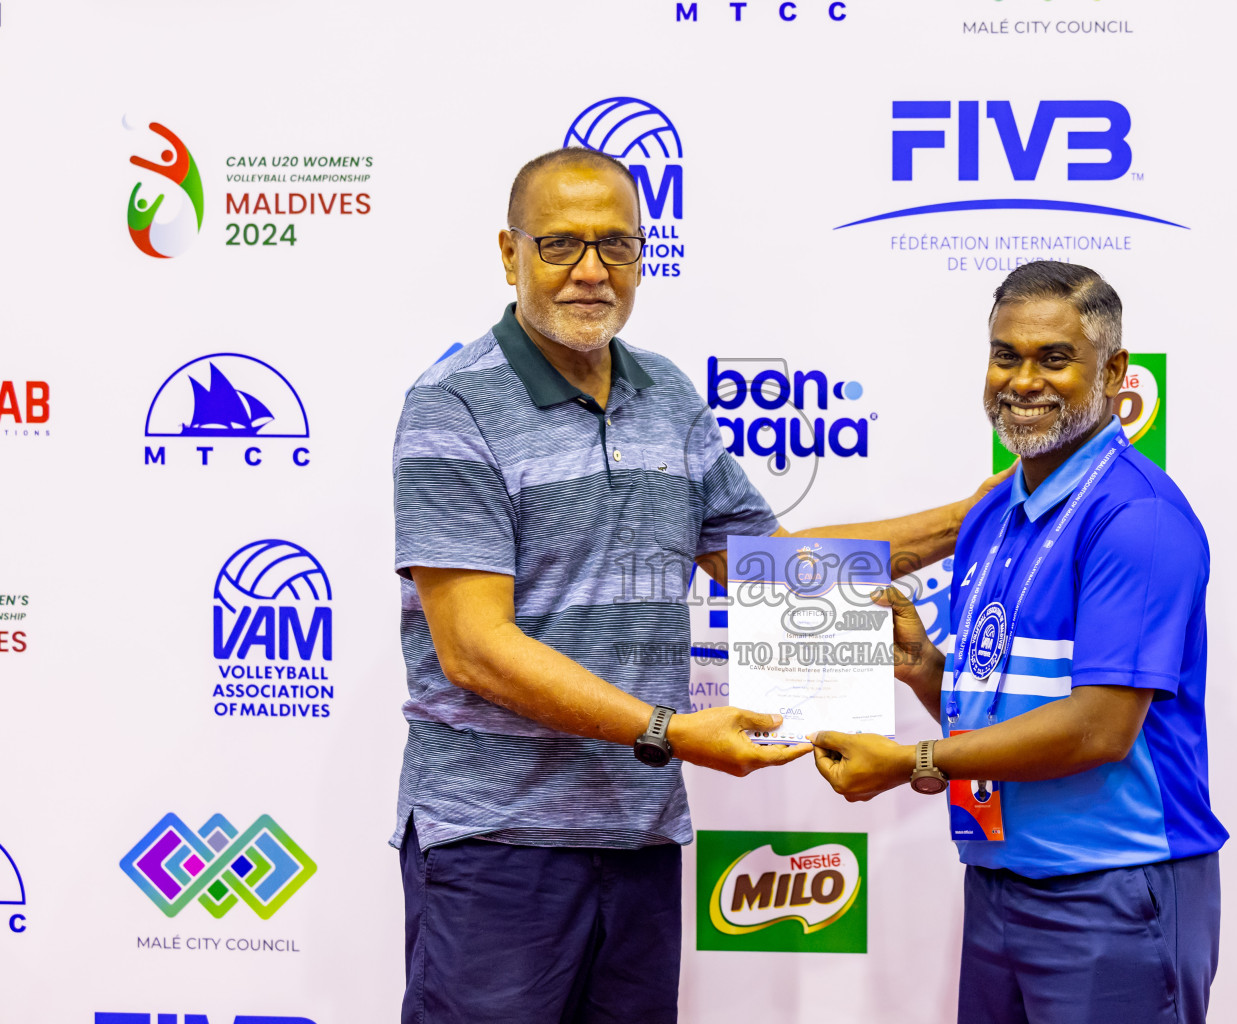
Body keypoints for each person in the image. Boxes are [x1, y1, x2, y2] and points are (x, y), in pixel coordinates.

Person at [390, 146, 1011, 1024]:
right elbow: (474, 650)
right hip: (498, 844)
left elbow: (771, 565)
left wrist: (975, 517)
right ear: (510, 253)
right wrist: (669, 730)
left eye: (617, 245)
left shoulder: (667, 395)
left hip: (638, 839)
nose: (591, 272)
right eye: (561, 245)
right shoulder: (453, 407)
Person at [811, 262, 1228, 1024]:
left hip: (1113, 891)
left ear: (1114, 373)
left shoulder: (1138, 518)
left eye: (1054, 358)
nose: (1023, 379)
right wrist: (927, 673)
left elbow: (1099, 728)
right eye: (1006, 355)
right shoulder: (992, 513)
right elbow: (1007, 710)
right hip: (1000, 882)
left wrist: (915, 762)